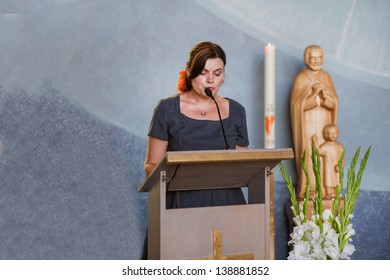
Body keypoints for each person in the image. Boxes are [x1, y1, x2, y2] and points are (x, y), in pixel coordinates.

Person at [144, 41, 249, 208]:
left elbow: (242, 168)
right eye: (203, 73)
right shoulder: (167, 109)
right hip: (180, 203)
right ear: (189, 72)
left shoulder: (237, 111)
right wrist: (174, 181)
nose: (210, 80)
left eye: (217, 73)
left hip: (227, 205)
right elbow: (151, 165)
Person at [290, 45, 338, 199]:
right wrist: (314, 95)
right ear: (307, 59)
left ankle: (327, 189)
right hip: (307, 124)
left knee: (327, 153)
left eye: (319, 57)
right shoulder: (301, 78)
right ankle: (309, 188)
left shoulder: (326, 77)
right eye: (313, 57)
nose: (316, 61)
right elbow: (297, 105)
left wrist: (325, 95)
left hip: (324, 122)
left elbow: (334, 103)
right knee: (310, 152)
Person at [312, 124, 344, 198]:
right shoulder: (326, 146)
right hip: (329, 167)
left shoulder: (340, 146)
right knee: (328, 179)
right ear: (326, 134)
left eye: (335, 133)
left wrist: (341, 165)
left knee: (338, 180)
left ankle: (337, 193)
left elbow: (343, 157)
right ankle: (328, 193)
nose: (333, 135)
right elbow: (318, 151)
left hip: (337, 168)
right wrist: (315, 142)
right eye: (330, 133)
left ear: (337, 134)